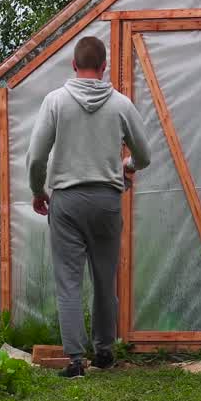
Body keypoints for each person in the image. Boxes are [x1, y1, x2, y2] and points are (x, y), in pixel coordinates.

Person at [26, 35, 151, 378]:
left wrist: (38, 191)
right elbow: (145, 155)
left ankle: (75, 361)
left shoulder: (55, 102)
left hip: (66, 202)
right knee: (103, 279)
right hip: (107, 201)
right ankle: (105, 352)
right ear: (104, 66)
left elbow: (37, 156)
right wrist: (126, 169)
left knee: (68, 281)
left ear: (74, 65)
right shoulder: (121, 104)